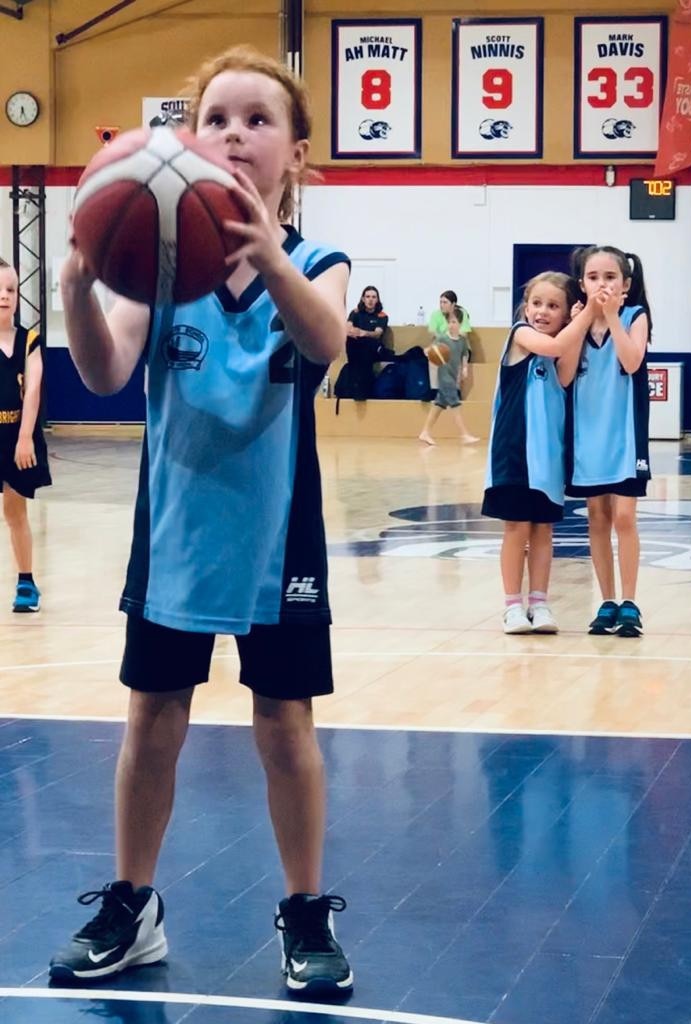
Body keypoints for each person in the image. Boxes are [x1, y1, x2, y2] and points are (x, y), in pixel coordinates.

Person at [51, 46, 353, 995]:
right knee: (153, 718)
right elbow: (104, 374)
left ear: (297, 153)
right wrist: (75, 289)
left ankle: (304, 912)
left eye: (258, 120)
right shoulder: (159, 267)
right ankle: (134, 905)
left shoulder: (315, 261)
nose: (233, 133)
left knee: (283, 723)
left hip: (279, 532)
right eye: (214, 118)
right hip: (176, 526)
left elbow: (327, 340)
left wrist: (265, 252)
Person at [482, 272, 595, 634]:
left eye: (553, 306)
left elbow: (564, 373)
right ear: (525, 306)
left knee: (543, 529)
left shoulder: (562, 343)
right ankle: (512, 606)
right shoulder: (520, 334)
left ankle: (540, 603)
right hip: (513, 451)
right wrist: (587, 314)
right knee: (516, 528)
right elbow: (554, 347)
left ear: (564, 315)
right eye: (536, 303)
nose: (542, 311)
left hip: (546, 457)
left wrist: (581, 321)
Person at [557, 245, 652, 638]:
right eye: (593, 277)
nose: (601, 284)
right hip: (587, 435)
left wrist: (611, 316)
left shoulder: (634, 316)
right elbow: (564, 376)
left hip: (624, 434)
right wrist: (578, 326)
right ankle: (607, 600)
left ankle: (630, 602)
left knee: (625, 517)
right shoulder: (575, 322)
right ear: (582, 284)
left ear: (625, 285)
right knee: (596, 518)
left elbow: (631, 362)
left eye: (610, 278)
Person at [0, 259, 51, 613]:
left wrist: (25, 437)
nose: (4, 296)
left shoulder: (29, 340)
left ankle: (26, 583)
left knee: (14, 509)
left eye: (11, 289)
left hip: (16, 434)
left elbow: (32, 391)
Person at [418, 307, 478, 445]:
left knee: (439, 405)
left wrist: (464, 369)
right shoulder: (442, 338)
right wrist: (428, 351)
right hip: (444, 377)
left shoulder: (462, 341)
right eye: (450, 322)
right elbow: (431, 349)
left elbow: (464, 355)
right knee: (455, 405)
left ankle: (425, 432)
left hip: (453, 375)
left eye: (454, 322)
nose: (451, 325)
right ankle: (464, 434)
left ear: (460, 324)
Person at [343, 285, 391, 399]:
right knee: (352, 342)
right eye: (368, 296)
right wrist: (355, 333)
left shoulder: (382, 316)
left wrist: (363, 333)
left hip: (373, 348)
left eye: (374, 297)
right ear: (363, 299)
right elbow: (347, 328)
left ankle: (362, 391)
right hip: (357, 347)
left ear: (377, 300)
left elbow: (377, 333)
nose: (370, 300)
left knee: (366, 344)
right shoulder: (355, 313)